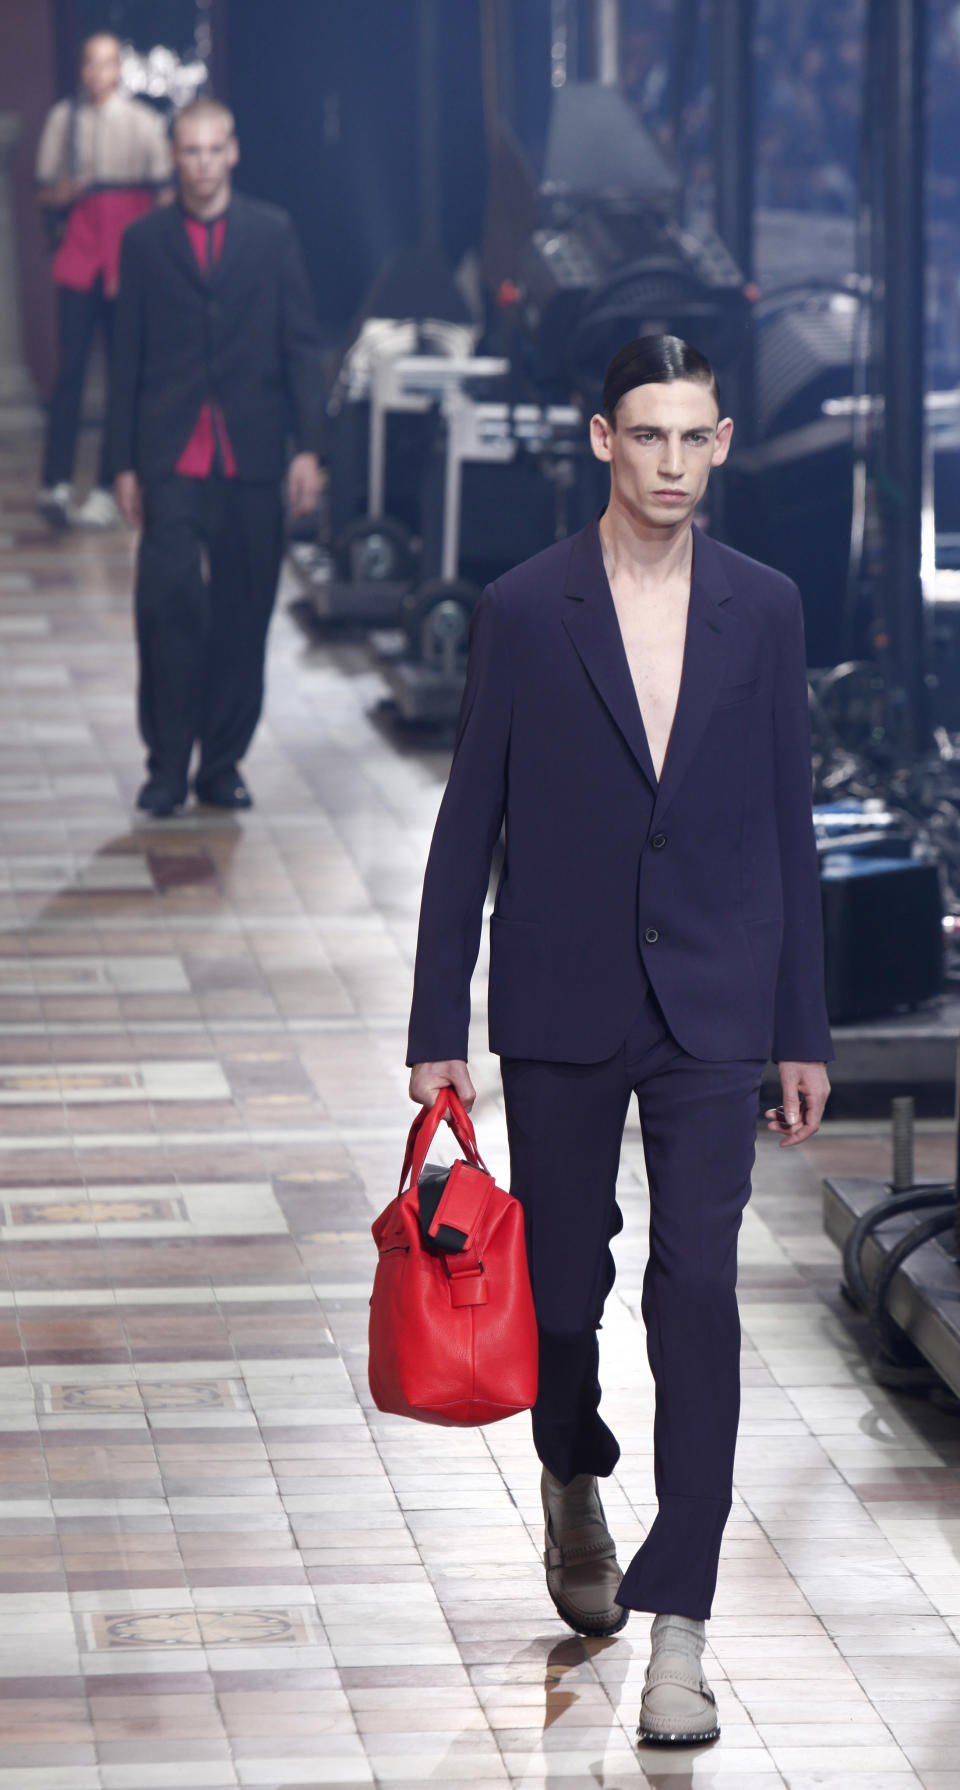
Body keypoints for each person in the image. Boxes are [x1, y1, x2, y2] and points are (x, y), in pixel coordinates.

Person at [406, 335, 832, 1747]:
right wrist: (435, 1026)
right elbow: (471, 816)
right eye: (644, 435)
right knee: (570, 1289)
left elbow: (790, 820)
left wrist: (801, 1027)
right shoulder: (527, 608)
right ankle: (572, 1463)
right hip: (565, 995)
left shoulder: (765, 608)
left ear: (720, 443)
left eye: (692, 437)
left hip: (718, 994)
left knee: (696, 1286)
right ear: (602, 439)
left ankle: (682, 1632)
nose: (669, 462)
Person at [108, 97, 324, 818]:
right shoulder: (144, 241)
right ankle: (167, 765)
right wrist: (122, 463)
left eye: (213, 150)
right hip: (171, 448)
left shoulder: (273, 234)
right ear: (175, 157)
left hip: (252, 449)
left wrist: (310, 448)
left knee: (244, 607)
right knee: (166, 603)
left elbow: (300, 344)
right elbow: (126, 353)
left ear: (233, 152)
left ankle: (221, 764)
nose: (201, 163)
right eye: (188, 151)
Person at [34, 32, 173, 530]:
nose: (98, 72)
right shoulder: (63, 120)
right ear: (82, 69)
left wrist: (145, 264)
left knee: (123, 375)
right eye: (90, 62)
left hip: (128, 242)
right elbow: (44, 192)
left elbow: (162, 195)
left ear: (119, 69)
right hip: (82, 244)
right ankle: (56, 482)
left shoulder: (144, 123)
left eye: (107, 62)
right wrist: (63, 192)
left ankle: (107, 485)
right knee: (70, 370)